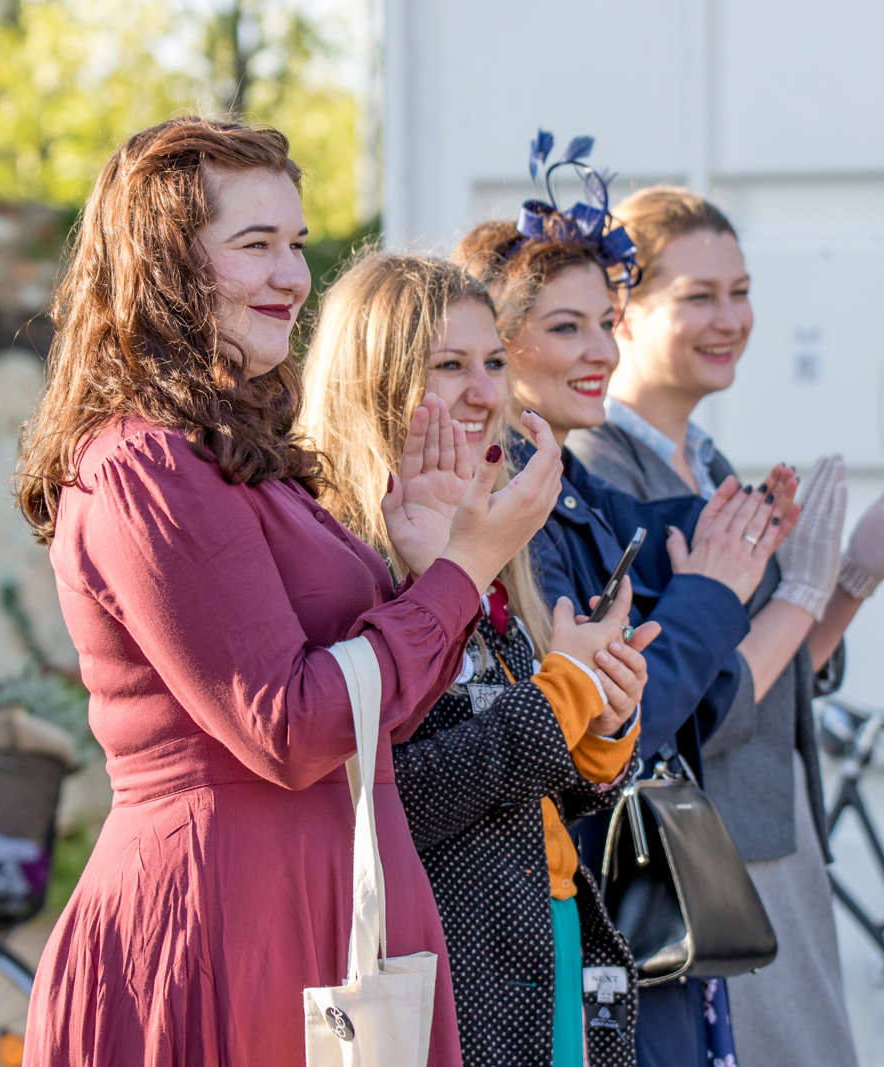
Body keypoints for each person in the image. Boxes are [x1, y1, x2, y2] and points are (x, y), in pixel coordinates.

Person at [14, 117, 566, 1066]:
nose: (290, 276)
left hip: (319, 899)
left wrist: (419, 561)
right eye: (254, 245)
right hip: (223, 921)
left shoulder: (237, 454)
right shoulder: (143, 464)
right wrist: (464, 570)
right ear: (167, 270)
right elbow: (289, 722)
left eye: (297, 245)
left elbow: (368, 713)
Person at [453, 133, 804, 1067]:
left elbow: (701, 681)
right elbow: (627, 716)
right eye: (568, 327)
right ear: (497, 345)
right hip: (578, 899)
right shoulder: (508, 507)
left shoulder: (579, 490)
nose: (604, 350)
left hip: (629, 905)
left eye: (607, 323)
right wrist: (716, 586)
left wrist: (755, 530)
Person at [568, 185, 884, 1067]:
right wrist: (808, 585)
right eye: (698, 296)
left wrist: (849, 578)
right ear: (623, 315)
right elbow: (695, 703)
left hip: (770, 834)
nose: (730, 317)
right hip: (702, 857)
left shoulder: (708, 461)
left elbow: (773, 680)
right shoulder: (600, 466)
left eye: (740, 291)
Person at [299, 251, 658, 1067]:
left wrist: (601, 725)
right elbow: (392, 799)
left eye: (493, 362)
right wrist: (558, 695)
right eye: (449, 365)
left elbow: (529, 784)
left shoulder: (496, 538)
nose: (486, 392)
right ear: (377, 380)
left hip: (548, 939)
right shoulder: (343, 553)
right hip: (449, 973)